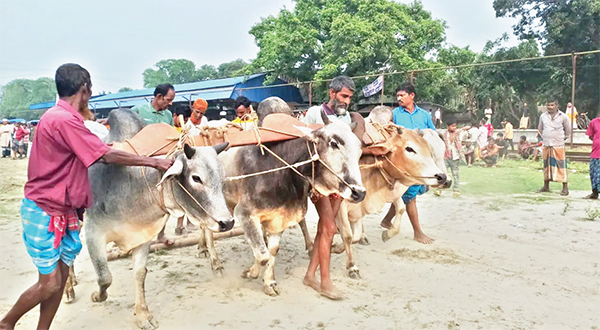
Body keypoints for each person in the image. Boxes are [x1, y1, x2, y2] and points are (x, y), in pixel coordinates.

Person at [0, 64, 173, 330]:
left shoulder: (63, 118)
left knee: (62, 275)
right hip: (45, 210)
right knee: (50, 282)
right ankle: (7, 323)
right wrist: (154, 163)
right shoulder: (63, 119)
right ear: (85, 89)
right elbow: (104, 155)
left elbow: (100, 148)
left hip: (65, 210)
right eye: (90, 91)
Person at [301, 75, 365, 300]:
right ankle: (325, 281)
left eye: (349, 98)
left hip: (341, 181)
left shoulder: (346, 118)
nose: (346, 101)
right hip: (319, 182)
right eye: (343, 96)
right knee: (329, 227)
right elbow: (306, 148)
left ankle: (311, 275)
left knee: (325, 228)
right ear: (332, 93)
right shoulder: (314, 114)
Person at [380, 82, 436, 244]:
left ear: (412, 96)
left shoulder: (424, 115)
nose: (399, 98)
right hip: (403, 163)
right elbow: (387, 132)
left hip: (421, 162)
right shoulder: (395, 114)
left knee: (407, 193)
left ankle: (386, 220)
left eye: (402, 95)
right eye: (397, 95)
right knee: (410, 196)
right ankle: (418, 233)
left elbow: (431, 133)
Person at [537, 99, 571, 196]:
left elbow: (568, 130)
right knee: (546, 165)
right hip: (547, 144)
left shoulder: (563, 116)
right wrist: (545, 138)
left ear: (556, 105)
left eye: (552, 105)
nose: (550, 107)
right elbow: (540, 129)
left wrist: (561, 139)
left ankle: (565, 188)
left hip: (558, 144)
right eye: (548, 105)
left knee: (561, 166)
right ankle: (546, 186)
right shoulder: (543, 116)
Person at [436, 121, 462, 197]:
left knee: (455, 174)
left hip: (455, 156)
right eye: (452, 126)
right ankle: (438, 189)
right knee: (442, 174)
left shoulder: (457, 134)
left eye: (455, 126)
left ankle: (456, 190)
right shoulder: (443, 134)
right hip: (445, 156)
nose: (454, 128)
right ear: (448, 126)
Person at [584, 116, 600, 199]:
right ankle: (595, 193)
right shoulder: (594, 122)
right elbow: (590, 136)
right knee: (594, 173)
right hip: (596, 152)